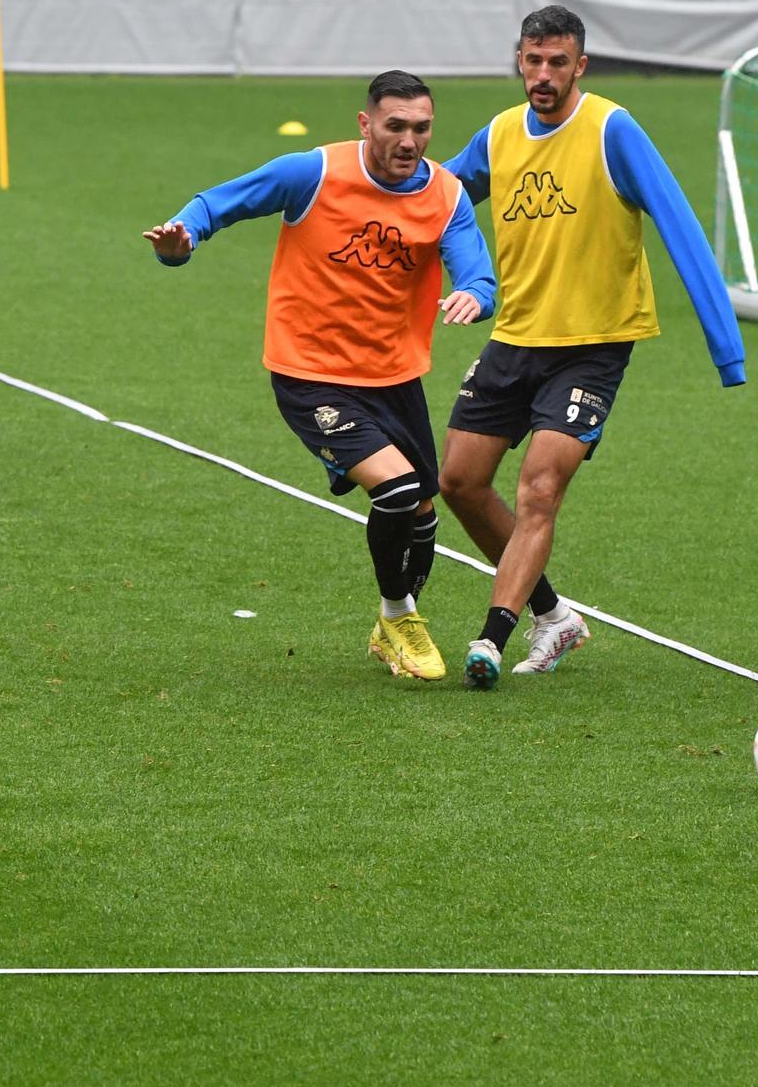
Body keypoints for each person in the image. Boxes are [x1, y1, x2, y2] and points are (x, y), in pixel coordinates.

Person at [146, 71, 496, 682]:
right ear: (366, 124)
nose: (409, 141)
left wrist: (473, 293)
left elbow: (476, 270)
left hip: (394, 377)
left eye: (421, 128)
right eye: (395, 127)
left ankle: (394, 619)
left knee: (421, 511)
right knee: (394, 490)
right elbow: (217, 204)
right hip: (310, 373)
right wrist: (181, 240)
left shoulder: (446, 195)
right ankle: (397, 618)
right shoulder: (313, 172)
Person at [438, 6, 746, 690]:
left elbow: (679, 225)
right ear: (517, 59)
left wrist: (727, 350)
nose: (542, 75)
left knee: (539, 489)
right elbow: (443, 194)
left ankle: (493, 636)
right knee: (458, 481)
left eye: (557, 62)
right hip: (515, 335)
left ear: (581, 66)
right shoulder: (500, 134)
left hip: (594, 347)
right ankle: (555, 616)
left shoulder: (612, 129)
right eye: (531, 59)